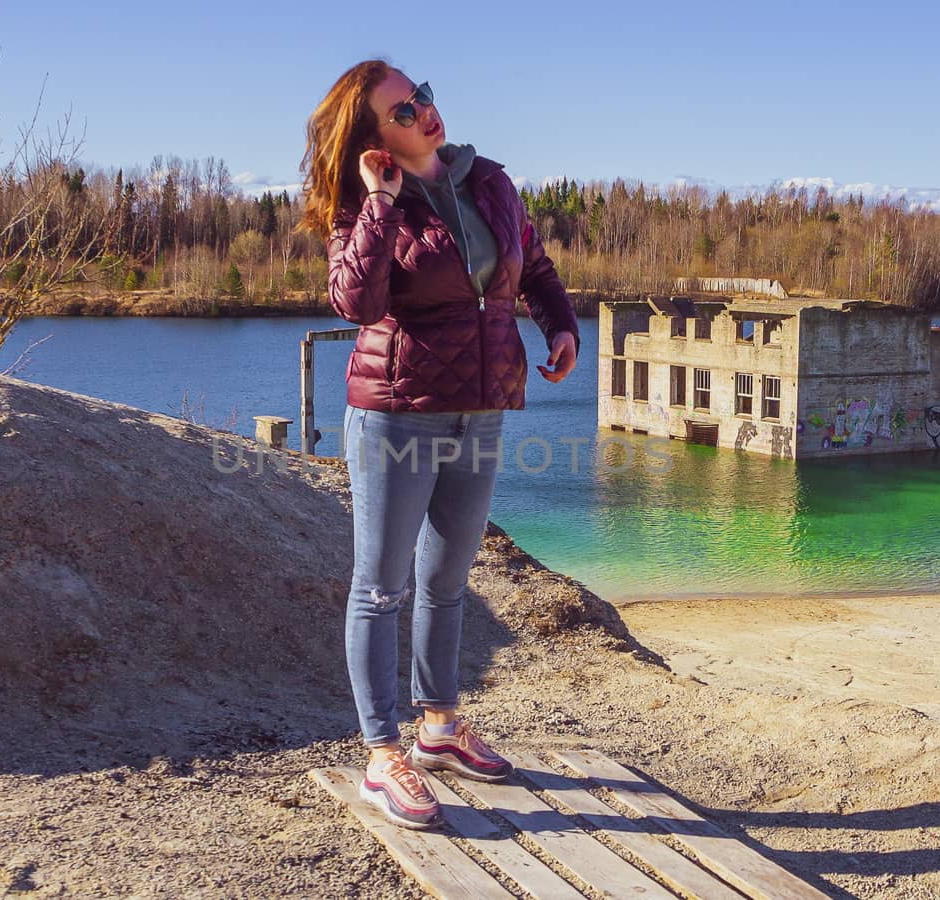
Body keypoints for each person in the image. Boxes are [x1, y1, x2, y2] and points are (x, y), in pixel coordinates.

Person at [298, 60, 580, 829]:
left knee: (449, 578)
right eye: (402, 111)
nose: (425, 112)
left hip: (482, 409)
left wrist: (559, 324)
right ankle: (383, 755)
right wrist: (384, 200)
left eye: (421, 95)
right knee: (381, 583)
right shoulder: (361, 205)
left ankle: (440, 727)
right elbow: (357, 302)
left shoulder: (488, 179)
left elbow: (536, 266)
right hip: (398, 413)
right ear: (370, 141)